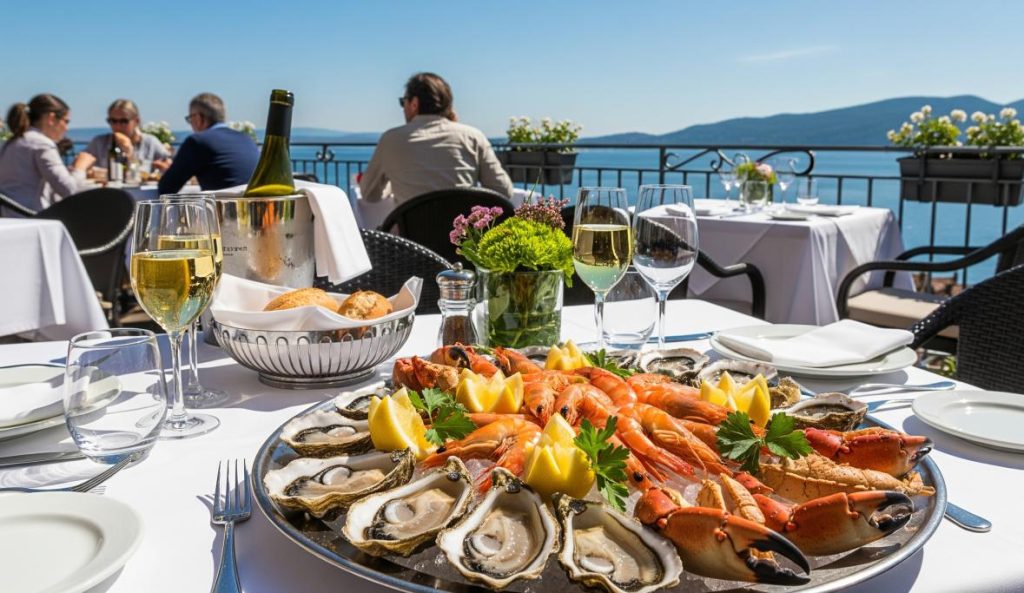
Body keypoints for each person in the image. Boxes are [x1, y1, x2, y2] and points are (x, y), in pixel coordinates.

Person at [359, 72, 512, 204]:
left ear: (414, 103)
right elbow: (503, 190)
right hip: (462, 236)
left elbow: (369, 195)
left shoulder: (391, 139)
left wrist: (394, 183)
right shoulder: (473, 137)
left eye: (402, 102)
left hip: (408, 236)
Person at [0, 93, 86, 215]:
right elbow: (69, 190)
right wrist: (80, 166)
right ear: (51, 118)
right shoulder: (42, 144)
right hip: (30, 218)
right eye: (66, 121)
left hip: (8, 217)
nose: (66, 128)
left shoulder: (10, 142)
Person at [157, 93, 258, 194]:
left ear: (198, 118)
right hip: (254, 206)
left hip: (219, 208)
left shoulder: (197, 141)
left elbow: (166, 188)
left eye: (190, 118)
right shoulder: (247, 138)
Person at [72, 99, 172, 175]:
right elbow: (77, 164)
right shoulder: (99, 142)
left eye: (124, 121)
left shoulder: (150, 143)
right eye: (113, 121)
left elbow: (169, 165)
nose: (117, 126)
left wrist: (165, 167)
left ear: (136, 121)